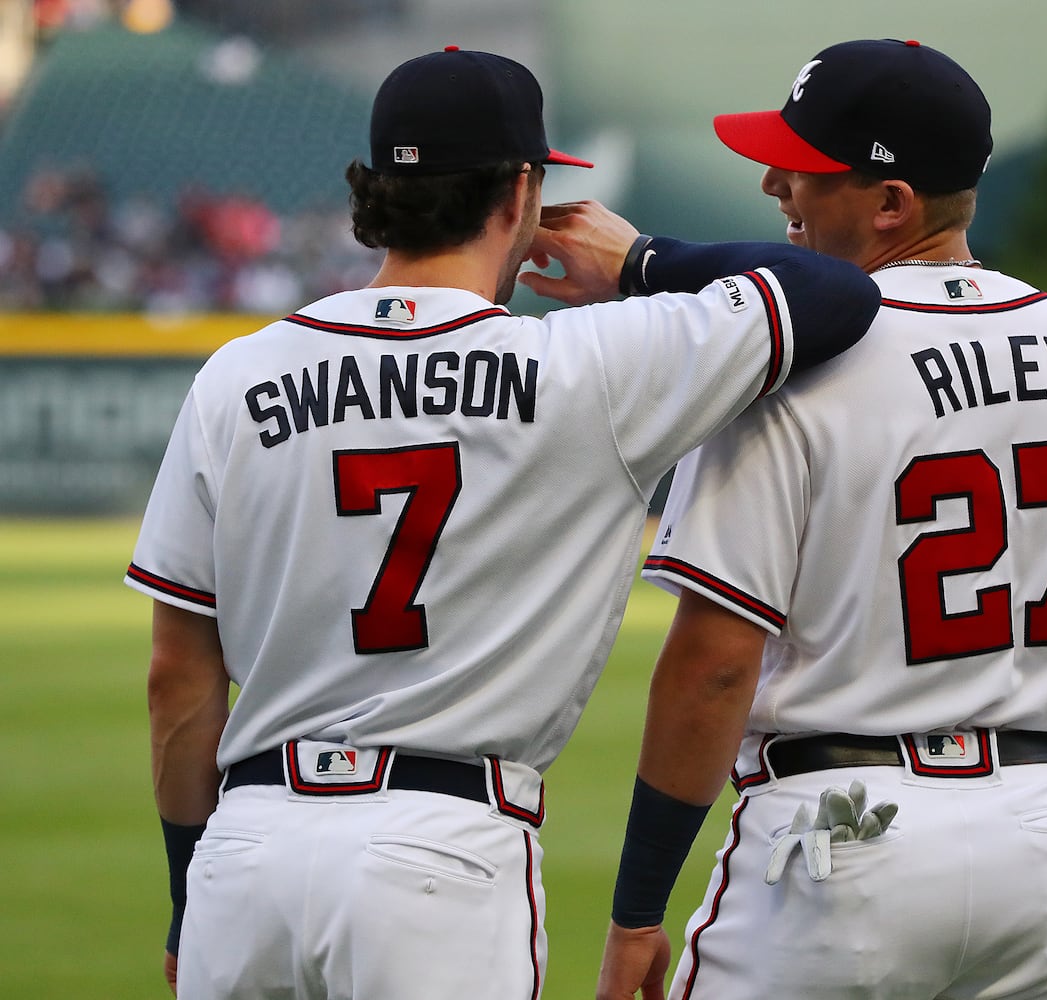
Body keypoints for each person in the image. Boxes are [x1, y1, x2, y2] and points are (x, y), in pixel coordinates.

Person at [126, 46, 882, 1000]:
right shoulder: (590, 367)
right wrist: (644, 261)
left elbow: (176, 676)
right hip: (440, 856)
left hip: (250, 851)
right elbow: (837, 295)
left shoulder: (238, 375)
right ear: (522, 191)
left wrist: (192, 889)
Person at [596, 38, 1047, 1000]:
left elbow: (715, 662)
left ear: (890, 204)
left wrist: (635, 915)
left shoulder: (788, 365)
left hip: (847, 839)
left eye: (804, 168)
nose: (771, 183)